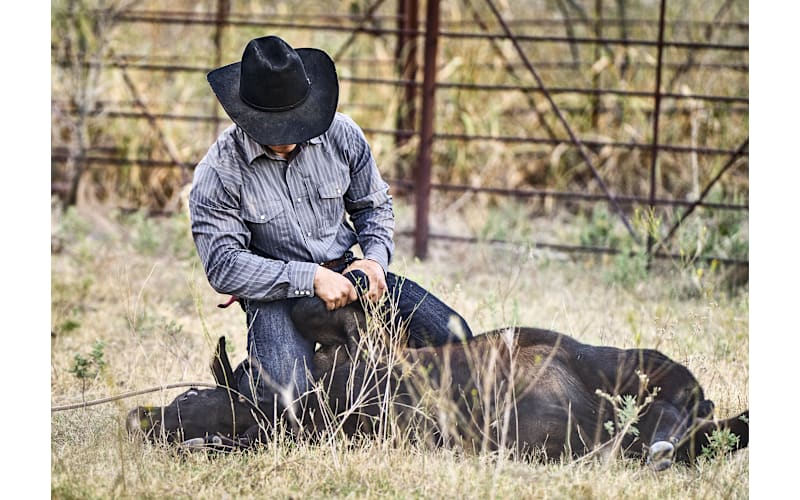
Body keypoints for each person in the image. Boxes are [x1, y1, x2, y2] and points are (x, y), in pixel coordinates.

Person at [189, 35, 473, 419]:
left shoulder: (342, 135)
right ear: (246, 115)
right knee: (287, 403)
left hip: (347, 271)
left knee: (456, 339)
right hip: (274, 293)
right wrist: (309, 277)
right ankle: (250, 378)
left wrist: (374, 262)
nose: (287, 136)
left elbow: (373, 206)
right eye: (274, 126)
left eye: (294, 121)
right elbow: (224, 266)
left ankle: (351, 367)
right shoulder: (218, 171)